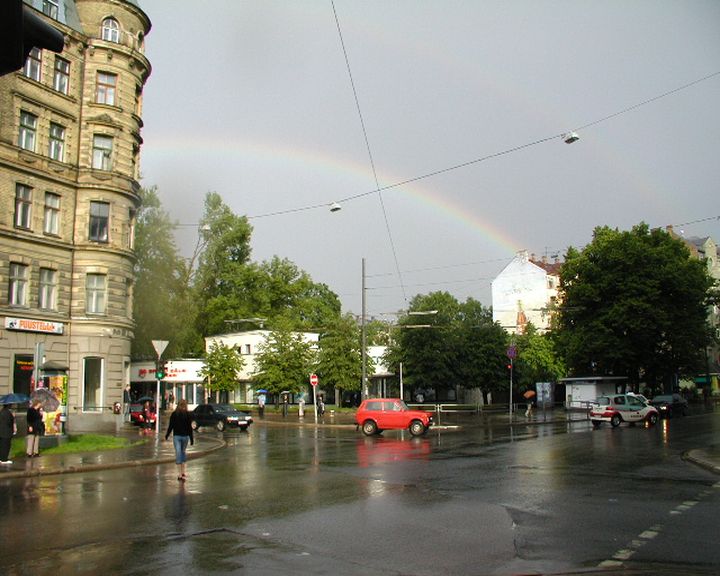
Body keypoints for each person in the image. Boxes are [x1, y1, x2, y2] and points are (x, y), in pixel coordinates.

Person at [165, 399, 194, 481]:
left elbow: (171, 426)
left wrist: (167, 435)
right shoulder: (187, 415)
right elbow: (189, 428)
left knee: (178, 453)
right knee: (182, 452)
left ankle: (180, 473)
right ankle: (183, 471)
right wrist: (191, 438)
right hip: (185, 436)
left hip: (177, 436)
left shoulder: (174, 414)